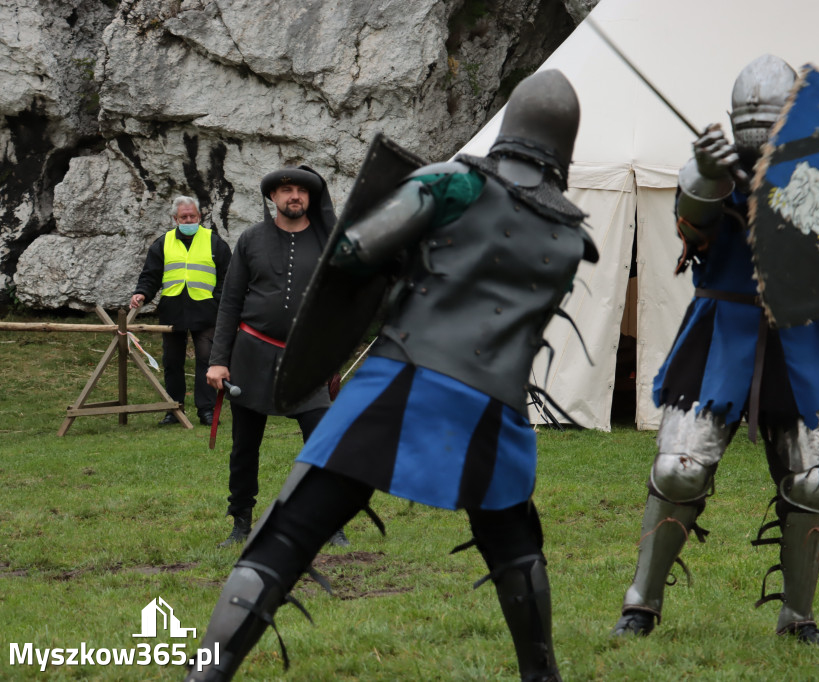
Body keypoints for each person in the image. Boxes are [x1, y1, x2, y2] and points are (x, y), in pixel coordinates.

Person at [184, 69, 597, 682]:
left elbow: (351, 253)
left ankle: (208, 673)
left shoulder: (452, 183)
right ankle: (543, 676)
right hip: (494, 407)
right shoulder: (570, 234)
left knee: (288, 533)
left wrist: (410, 256)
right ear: (564, 144)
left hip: (405, 382)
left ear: (508, 127)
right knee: (517, 549)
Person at [610, 55, 819, 645]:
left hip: (801, 331)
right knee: (678, 470)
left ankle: (797, 617)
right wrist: (706, 173)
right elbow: (692, 224)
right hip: (722, 329)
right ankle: (641, 603)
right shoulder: (711, 170)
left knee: (813, 480)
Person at [206, 166, 348, 548]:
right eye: (286, 190)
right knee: (245, 447)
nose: (295, 196)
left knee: (321, 442)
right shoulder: (251, 239)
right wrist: (218, 359)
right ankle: (240, 524)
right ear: (273, 197)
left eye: (302, 190)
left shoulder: (328, 242)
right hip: (251, 356)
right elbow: (230, 302)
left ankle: (330, 523)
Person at [130, 196, 231, 426]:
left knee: (207, 361)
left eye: (192, 216)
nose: (188, 220)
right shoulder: (162, 243)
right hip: (173, 310)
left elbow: (228, 277)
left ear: (200, 217)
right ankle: (173, 410)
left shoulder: (215, 242)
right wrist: (141, 294)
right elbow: (151, 275)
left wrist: (218, 301)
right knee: (172, 362)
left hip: (206, 311)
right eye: (184, 217)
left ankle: (206, 411)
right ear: (175, 218)